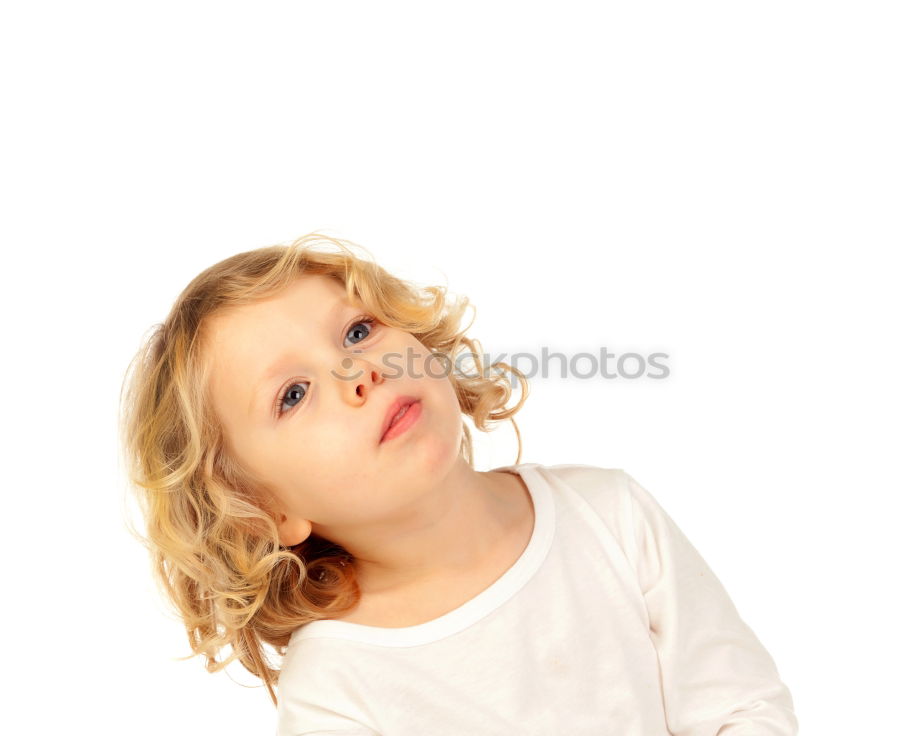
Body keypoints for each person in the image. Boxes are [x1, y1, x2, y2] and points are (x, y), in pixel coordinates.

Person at [119, 232, 798, 736]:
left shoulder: (609, 516)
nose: (358, 372)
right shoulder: (335, 691)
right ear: (263, 511)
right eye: (293, 394)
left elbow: (742, 709)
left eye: (358, 329)